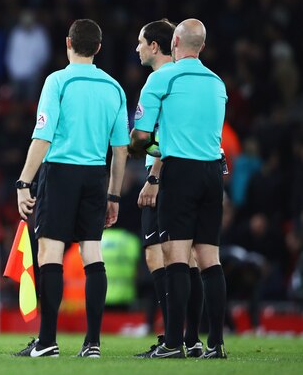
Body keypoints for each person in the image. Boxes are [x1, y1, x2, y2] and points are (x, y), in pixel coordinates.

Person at [14, 19, 129, 358]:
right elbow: (120, 149)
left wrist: (24, 181)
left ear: (68, 43)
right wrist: (114, 195)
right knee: (92, 253)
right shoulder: (114, 88)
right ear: (98, 48)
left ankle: (47, 341)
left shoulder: (57, 81)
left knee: (51, 253)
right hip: (95, 176)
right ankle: (92, 343)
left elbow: (43, 136)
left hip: (61, 172)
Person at [129, 19, 228, 359]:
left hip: (180, 171)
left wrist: (137, 150)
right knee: (208, 259)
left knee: (175, 256)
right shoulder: (217, 82)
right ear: (201, 46)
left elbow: (142, 137)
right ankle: (214, 343)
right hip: (214, 172)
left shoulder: (161, 79)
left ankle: (173, 343)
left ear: (174, 42)